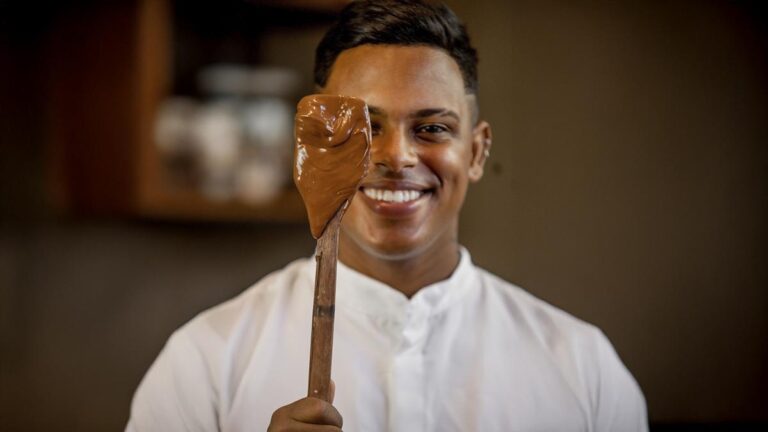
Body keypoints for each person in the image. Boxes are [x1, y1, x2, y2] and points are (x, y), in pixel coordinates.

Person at [127, 1, 648, 431]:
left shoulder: (583, 370)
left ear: (477, 151)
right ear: (312, 147)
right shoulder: (205, 364)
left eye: (433, 128)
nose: (396, 157)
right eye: (365, 127)